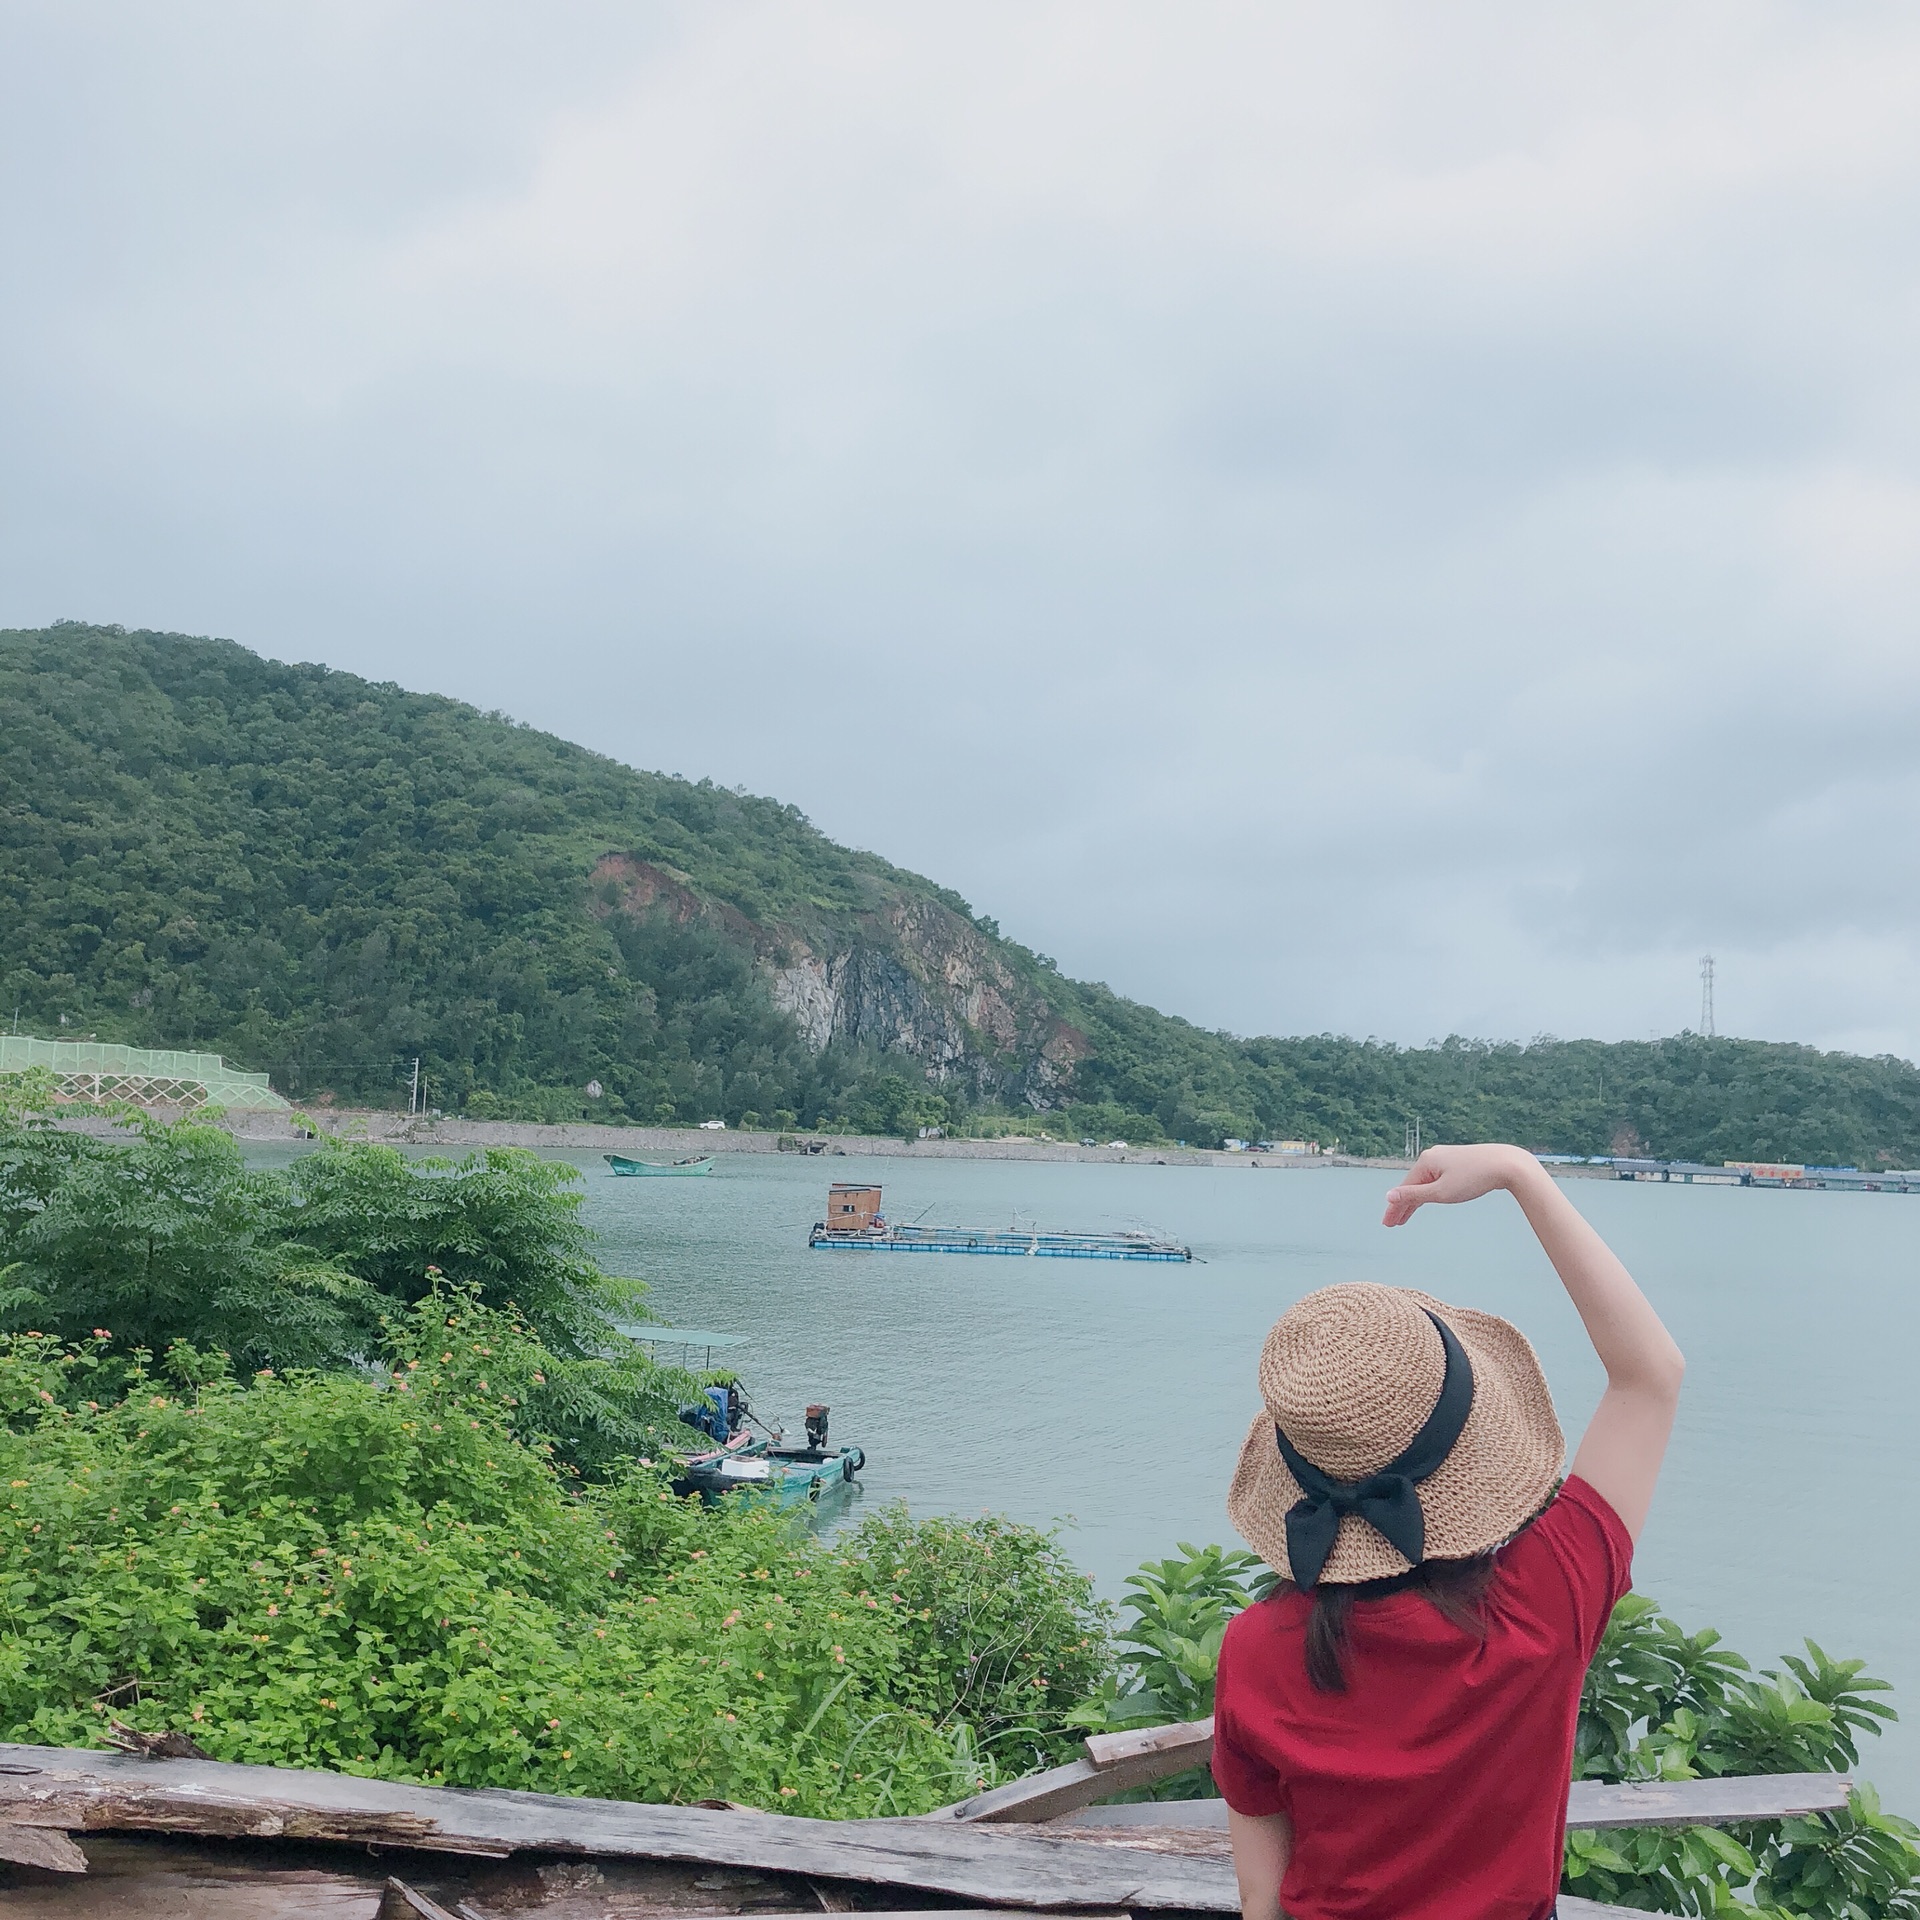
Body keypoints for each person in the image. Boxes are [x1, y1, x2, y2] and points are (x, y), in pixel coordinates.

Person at [1213, 1143, 1685, 1920]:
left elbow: (1262, 1897)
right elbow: (1649, 1375)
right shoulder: (1546, 1598)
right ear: (1473, 1448)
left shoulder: (1256, 1648)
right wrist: (1519, 1175)